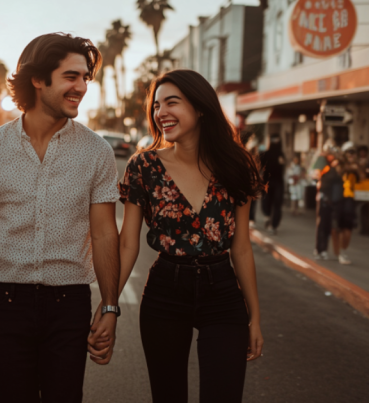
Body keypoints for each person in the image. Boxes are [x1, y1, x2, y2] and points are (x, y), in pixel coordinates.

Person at [0, 33, 121, 403]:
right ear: (38, 79)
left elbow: (105, 233)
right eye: (71, 77)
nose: (81, 87)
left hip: (70, 303)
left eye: (85, 78)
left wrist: (109, 306)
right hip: (6, 301)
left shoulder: (97, 152)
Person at [114, 69, 264, 402]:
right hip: (165, 291)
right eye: (156, 106)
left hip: (223, 294)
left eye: (172, 102)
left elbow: (241, 248)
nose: (160, 112)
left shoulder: (235, 166)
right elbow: (128, 242)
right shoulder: (144, 167)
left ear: (199, 108)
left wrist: (254, 317)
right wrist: (110, 303)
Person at [333, 143, 360, 264]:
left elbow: (362, 177)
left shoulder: (357, 166)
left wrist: (356, 168)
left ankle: (343, 251)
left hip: (349, 198)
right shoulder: (339, 164)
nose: (351, 155)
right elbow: (338, 172)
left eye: (353, 152)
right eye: (349, 152)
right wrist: (347, 165)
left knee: (347, 228)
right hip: (337, 198)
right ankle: (337, 251)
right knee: (336, 228)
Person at [314, 153, 344, 261]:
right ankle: (320, 249)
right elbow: (316, 176)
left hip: (336, 202)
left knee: (331, 227)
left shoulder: (340, 171)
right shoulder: (325, 168)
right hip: (325, 201)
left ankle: (326, 250)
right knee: (323, 226)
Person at [260, 134, 286, 234]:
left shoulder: (266, 154)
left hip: (269, 181)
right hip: (276, 182)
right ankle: (272, 223)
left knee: (269, 201)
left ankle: (269, 219)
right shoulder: (280, 154)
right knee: (276, 203)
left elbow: (260, 167)